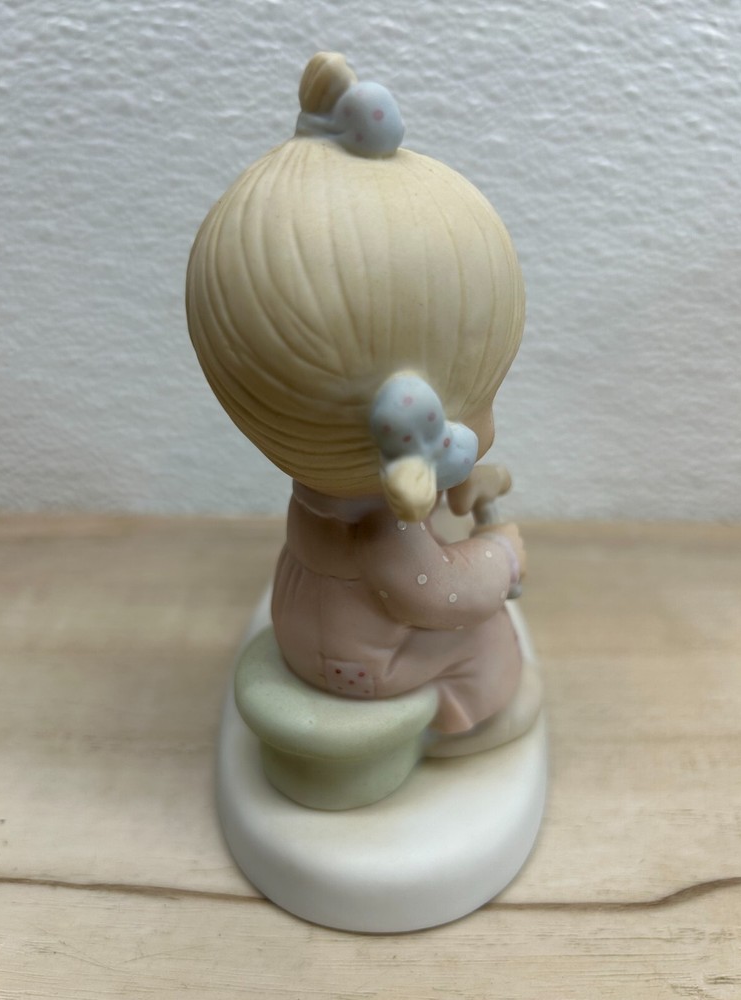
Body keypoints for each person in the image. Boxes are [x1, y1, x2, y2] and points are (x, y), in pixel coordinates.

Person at [187, 52, 541, 752]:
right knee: (487, 638)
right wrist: (502, 555)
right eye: (476, 404)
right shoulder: (385, 531)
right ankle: (461, 718)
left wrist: (460, 484)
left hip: (314, 616)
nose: (489, 428)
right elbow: (437, 592)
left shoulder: (339, 487)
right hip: (366, 660)